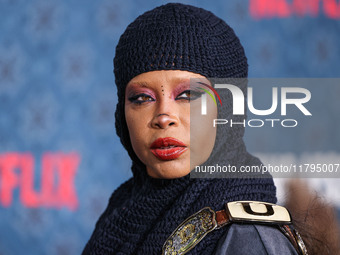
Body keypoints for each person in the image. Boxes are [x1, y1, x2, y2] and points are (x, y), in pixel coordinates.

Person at [83, 3, 307, 254]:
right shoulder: (120, 212)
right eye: (142, 98)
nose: (163, 117)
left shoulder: (248, 237)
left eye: (188, 94)